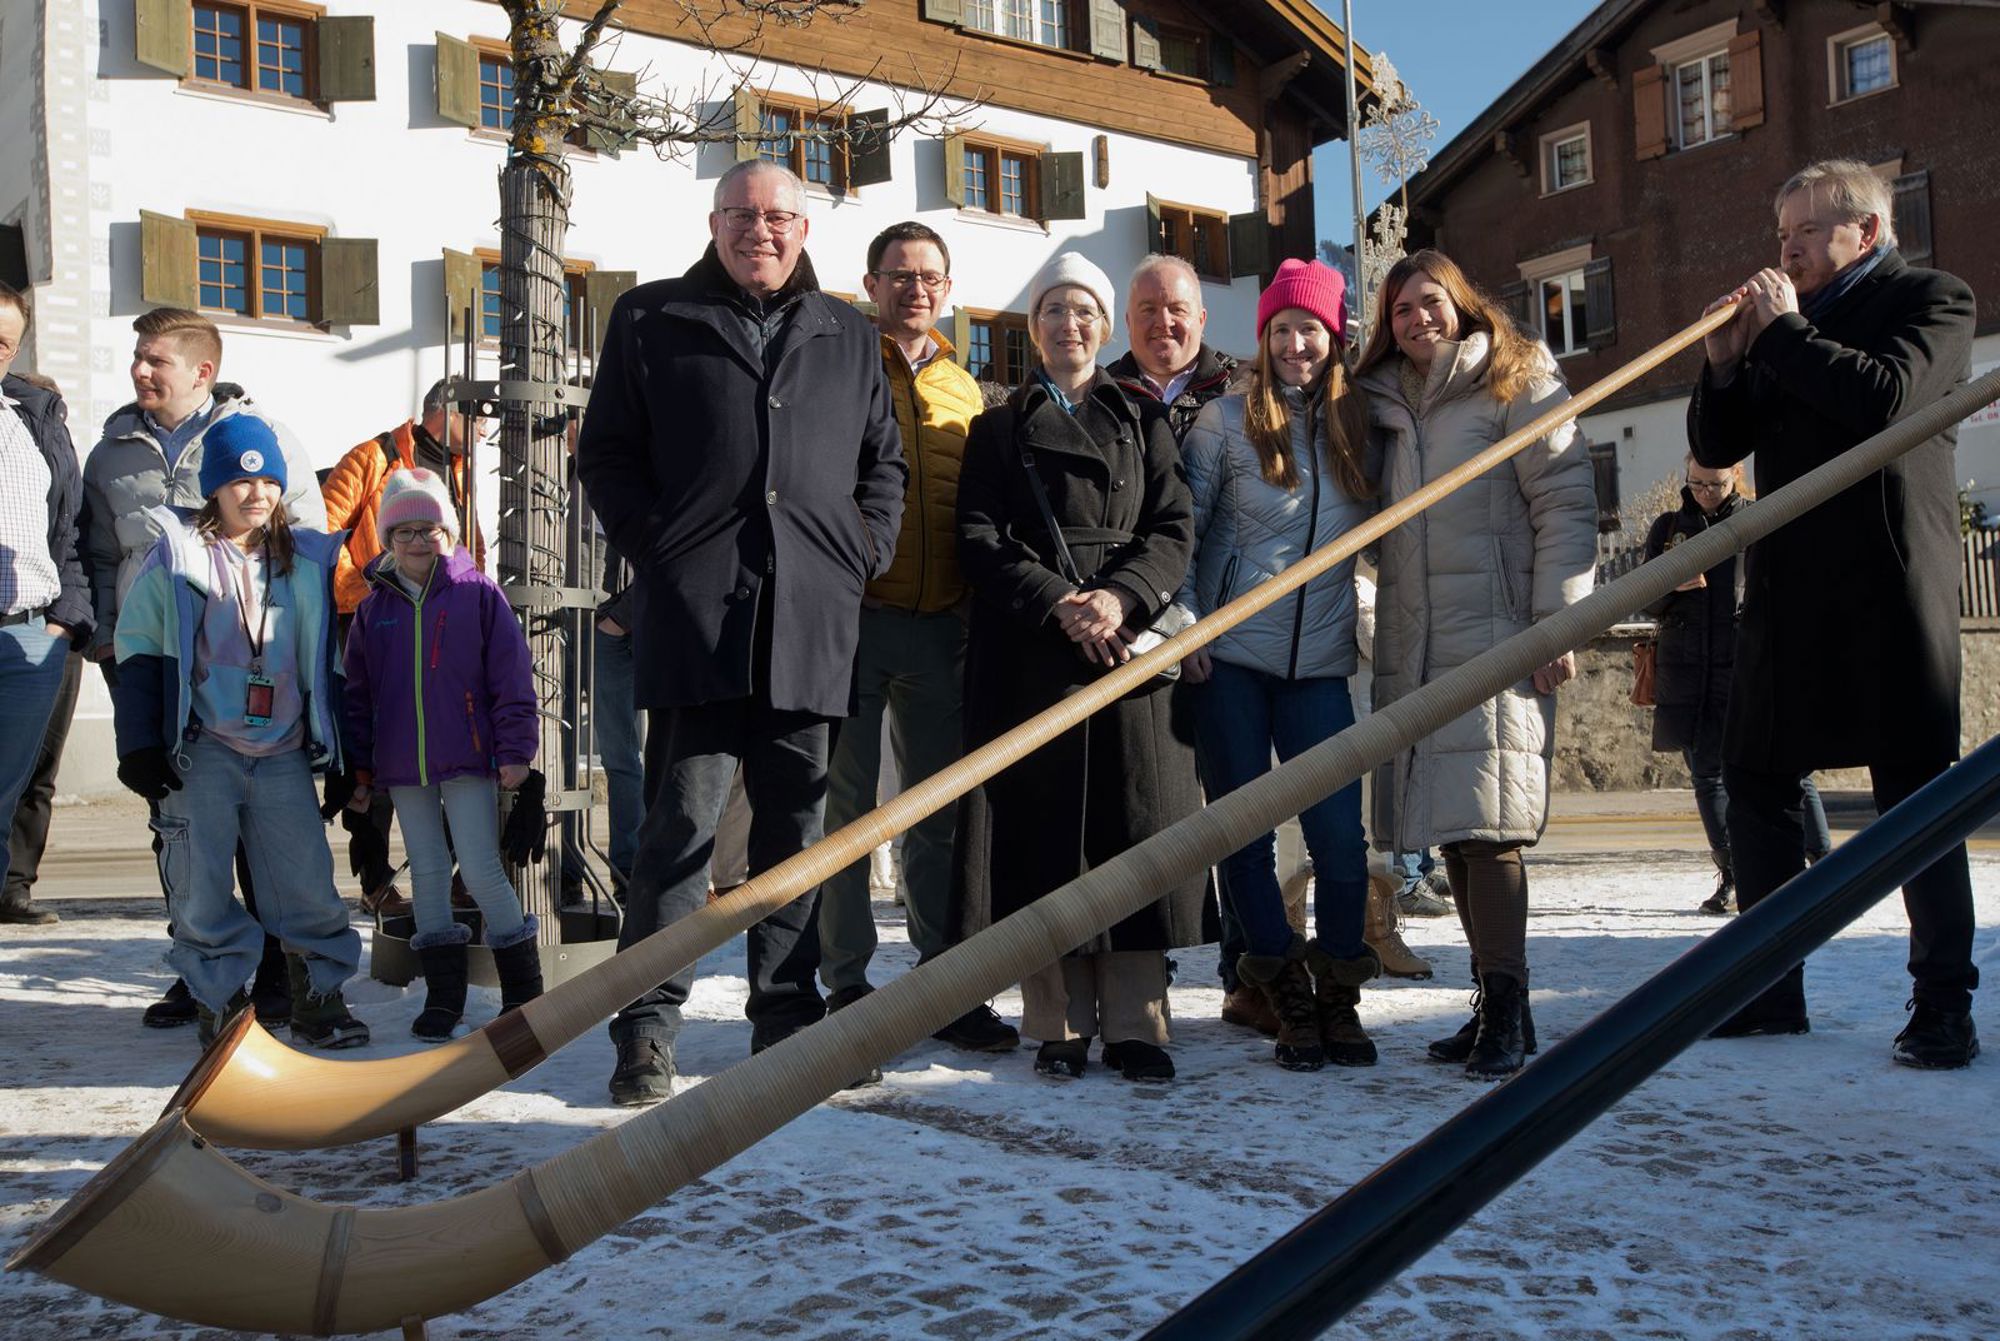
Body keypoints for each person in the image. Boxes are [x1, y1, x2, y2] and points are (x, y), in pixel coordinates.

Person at [576, 160, 906, 1105]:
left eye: (777, 217)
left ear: (805, 229)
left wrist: (860, 552)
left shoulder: (848, 332)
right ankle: (646, 1028)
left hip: (811, 618)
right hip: (699, 619)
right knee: (679, 830)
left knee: (796, 837)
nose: (760, 230)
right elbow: (606, 454)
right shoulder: (651, 317)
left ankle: (787, 1019)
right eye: (742, 214)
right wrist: (663, 552)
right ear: (714, 221)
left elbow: (882, 463)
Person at [1689, 159, 1979, 1067]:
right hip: (1787, 592)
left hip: (1886, 592)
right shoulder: (1784, 326)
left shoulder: (1933, 299)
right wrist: (1723, 364)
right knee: (1755, 780)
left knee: (1916, 798)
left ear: (1868, 232)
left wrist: (1780, 332)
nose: (1788, 252)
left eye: (1808, 232)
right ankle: (1768, 986)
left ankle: (1943, 1001)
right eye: (1782, 236)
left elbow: (1881, 399)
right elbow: (1719, 444)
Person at [955, 251, 1204, 1083]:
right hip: (1033, 650)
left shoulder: (1144, 419)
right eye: (1054, 311)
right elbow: (978, 538)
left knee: (1133, 829)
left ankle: (1137, 1022)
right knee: (1044, 836)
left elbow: (1173, 527)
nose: (1070, 325)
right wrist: (1062, 601)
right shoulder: (996, 429)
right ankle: (1056, 1021)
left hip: (1125, 646)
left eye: (1085, 312)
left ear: (1105, 327)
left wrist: (1121, 598)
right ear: (1035, 329)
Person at [1355, 249, 1598, 1079]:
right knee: (1454, 833)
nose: (1418, 318)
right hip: (1416, 640)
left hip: (1498, 633)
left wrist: (1557, 622)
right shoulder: (1384, 402)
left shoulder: (1516, 377)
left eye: (1431, 301)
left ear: (1462, 302)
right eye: (1400, 309)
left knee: (1490, 830)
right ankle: (1497, 1005)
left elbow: (1564, 501)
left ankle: (1508, 1005)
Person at [809, 221, 1019, 1057]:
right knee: (847, 813)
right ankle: (846, 983)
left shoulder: (966, 388)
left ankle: (944, 981)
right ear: (871, 285)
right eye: (899, 274)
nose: (916, 288)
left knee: (940, 815)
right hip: (854, 621)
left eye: (930, 276)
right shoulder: (839, 367)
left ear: (948, 289)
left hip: (943, 627)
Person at [83, 307, 325, 1027]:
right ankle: (202, 975)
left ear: (202, 371)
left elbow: (305, 539)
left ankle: (280, 968)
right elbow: (101, 553)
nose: (139, 370)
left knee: (267, 830)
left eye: (155, 359)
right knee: (182, 826)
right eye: (138, 356)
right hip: (155, 660)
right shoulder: (112, 451)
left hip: (255, 666)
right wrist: (110, 640)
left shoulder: (260, 435)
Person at [1175, 258, 1381, 1071]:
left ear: (1336, 339)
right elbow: (1186, 534)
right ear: (1263, 338)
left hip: (1320, 662)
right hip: (1230, 660)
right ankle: (1283, 988)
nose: (1297, 344)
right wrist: (1190, 629)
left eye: (1312, 330)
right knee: (1245, 834)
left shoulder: (1361, 425)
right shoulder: (1223, 422)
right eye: (1283, 329)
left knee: (1339, 839)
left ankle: (1338, 992)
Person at [108, 415, 366, 1047]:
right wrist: (139, 744)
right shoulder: (179, 556)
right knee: (201, 886)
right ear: (216, 488)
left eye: (269, 481)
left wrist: (344, 754)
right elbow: (139, 647)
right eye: (241, 482)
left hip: (281, 750)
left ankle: (318, 997)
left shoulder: (305, 560)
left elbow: (329, 665)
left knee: (306, 881)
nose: (257, 494)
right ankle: (218, 1001)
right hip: (202, 749)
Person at [341, 469, 543, 1040]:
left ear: (448, 534)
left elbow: (511, 677)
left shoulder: (478, 594)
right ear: (387, 539)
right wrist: (360, 769)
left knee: (479, 868)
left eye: (428, 529)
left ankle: (524, 992)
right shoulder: (373, 610)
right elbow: (357, 695)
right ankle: (444, 996)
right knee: (427, 871)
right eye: (403, 531)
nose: (416, 541)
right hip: (403, 764)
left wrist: (515, 750)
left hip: (470, 758)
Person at [320, 382, 490, 912]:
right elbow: (323, 533)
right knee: (375, 753)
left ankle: (456, 876)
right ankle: (376, 881)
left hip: (440, 621)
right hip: (373, 622)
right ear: (447, 410)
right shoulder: (374, 457)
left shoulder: (459, 470)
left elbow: (467, 544)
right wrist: (365, 592)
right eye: (479, 417)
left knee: (448, 744)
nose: (485, 430)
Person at [1641, 457, 1831, 915]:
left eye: (1715, 484)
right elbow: (1644, 598)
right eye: (1696, 483)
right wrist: (1673, 584)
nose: (1705, 492)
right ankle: (1732, 873)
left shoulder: (1758, 519)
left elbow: (1791, 588)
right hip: (1688, 673)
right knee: (1707, 777)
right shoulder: (1669, 528)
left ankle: (1824, 863)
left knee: (1787, 768)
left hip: (1748, 666)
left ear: (1736, 478)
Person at [0, 284, 92, 920]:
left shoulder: (33, 419)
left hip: (32, 633)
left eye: (3, 342)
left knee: (11, 788)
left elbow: (72, 528)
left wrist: (65, 619)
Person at [1107, 254, 1241, 440]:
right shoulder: (1102, 394)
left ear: (1201, 320)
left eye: (1177, 309)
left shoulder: (1241, 389)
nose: (1163, 322)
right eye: (1148, 310)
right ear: (1129, 322)